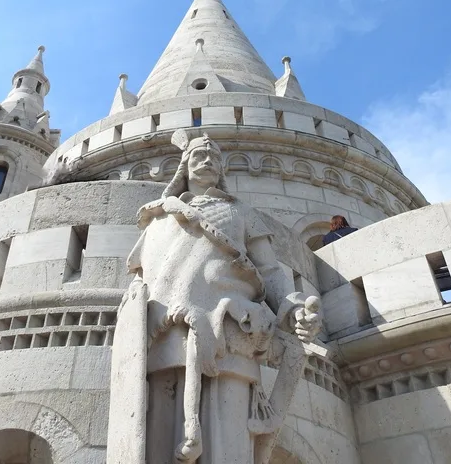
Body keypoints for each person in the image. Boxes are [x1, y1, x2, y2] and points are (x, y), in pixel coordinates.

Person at [107, 130, 321, 464]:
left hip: (231, 338)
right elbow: (140, 283)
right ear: (184, 166)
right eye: (198, 156)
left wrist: (293, 309)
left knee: (228, 448)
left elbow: (270, 272)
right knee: (157, 446)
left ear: (222, 169)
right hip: (162, 341)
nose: (206, 162)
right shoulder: (158, 220)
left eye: (214, 158)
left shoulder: (241, 213)